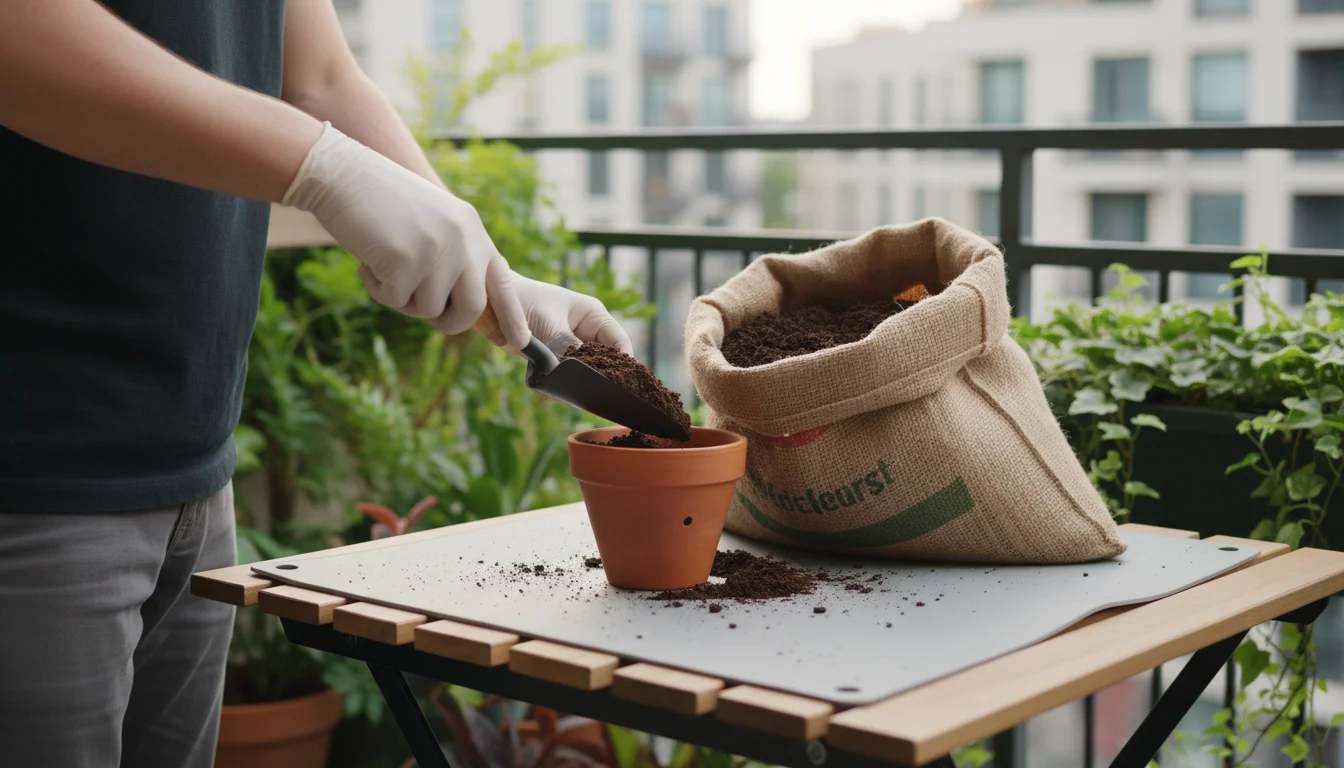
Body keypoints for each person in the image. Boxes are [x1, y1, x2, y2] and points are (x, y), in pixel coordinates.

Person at [0, 1, 632, 766]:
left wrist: (497, 285)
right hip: (32, 478)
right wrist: (321, 167)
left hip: (196, 473)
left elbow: (321, 78)